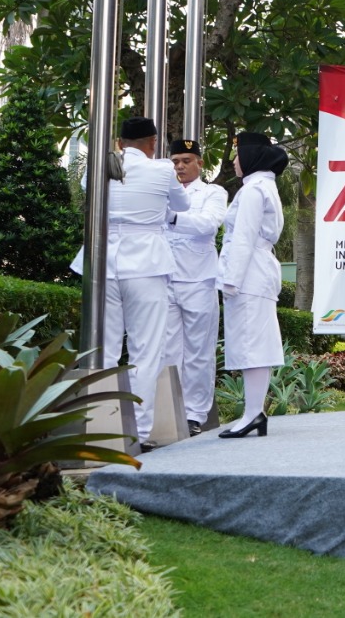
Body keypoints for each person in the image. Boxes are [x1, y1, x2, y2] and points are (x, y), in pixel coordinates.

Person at [71, 116, 189, 454]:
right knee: (146, 350)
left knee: (102, 348)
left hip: (104, 259)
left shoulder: (99, 167)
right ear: (153, 143)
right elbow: (182, 205)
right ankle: (138, 430)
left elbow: (86, 191)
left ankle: (100, 425)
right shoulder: (163, 169)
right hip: (146, 263)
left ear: (120, 142)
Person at [217, 131, 288, 439]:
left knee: (251, 345)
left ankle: (253, 414)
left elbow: (243, 237)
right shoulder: (263, 186)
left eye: (237, 155)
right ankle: (254, 412)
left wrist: (230, 280)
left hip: (248, 273)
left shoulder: (253, 190)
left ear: (250, 158)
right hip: (257, 270)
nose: (234, 161)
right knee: (255, 343)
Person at [163, 138, 229, 436]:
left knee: (199, 351)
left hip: (199, 280)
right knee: (167, 349)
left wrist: (174, 218)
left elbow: (208, 224)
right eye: (175, 161)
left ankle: (195, 414)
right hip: (164, 277)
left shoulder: (213, 192)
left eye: (186, 161)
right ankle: (167, 409)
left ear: (200, 163)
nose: (180, 166)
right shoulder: (163, 191)